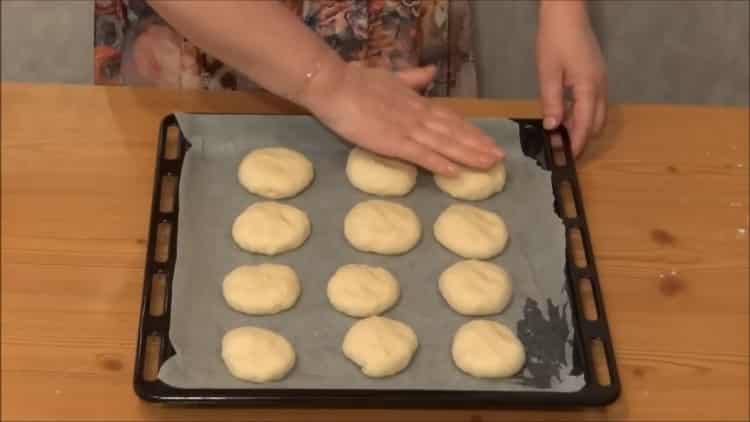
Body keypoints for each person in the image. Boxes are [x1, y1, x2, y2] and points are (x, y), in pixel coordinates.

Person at [94, 0, 606, 174]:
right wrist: (328, 82)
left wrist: (563, 8)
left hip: (394, 26)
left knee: (427, 178)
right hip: (212, 35)